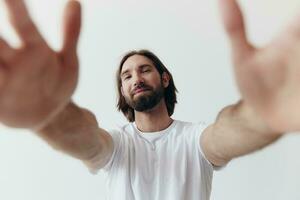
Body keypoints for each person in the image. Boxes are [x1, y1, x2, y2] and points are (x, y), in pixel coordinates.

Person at [0, 0, 298, 199]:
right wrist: (49, 117)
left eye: (144, 70)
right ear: (123, 91)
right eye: (126, 76)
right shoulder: (116, 145)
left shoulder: (195, 139)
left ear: (164, 79)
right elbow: (87, 139)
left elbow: (227, 134)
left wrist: (262, 116)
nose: (136, 78)